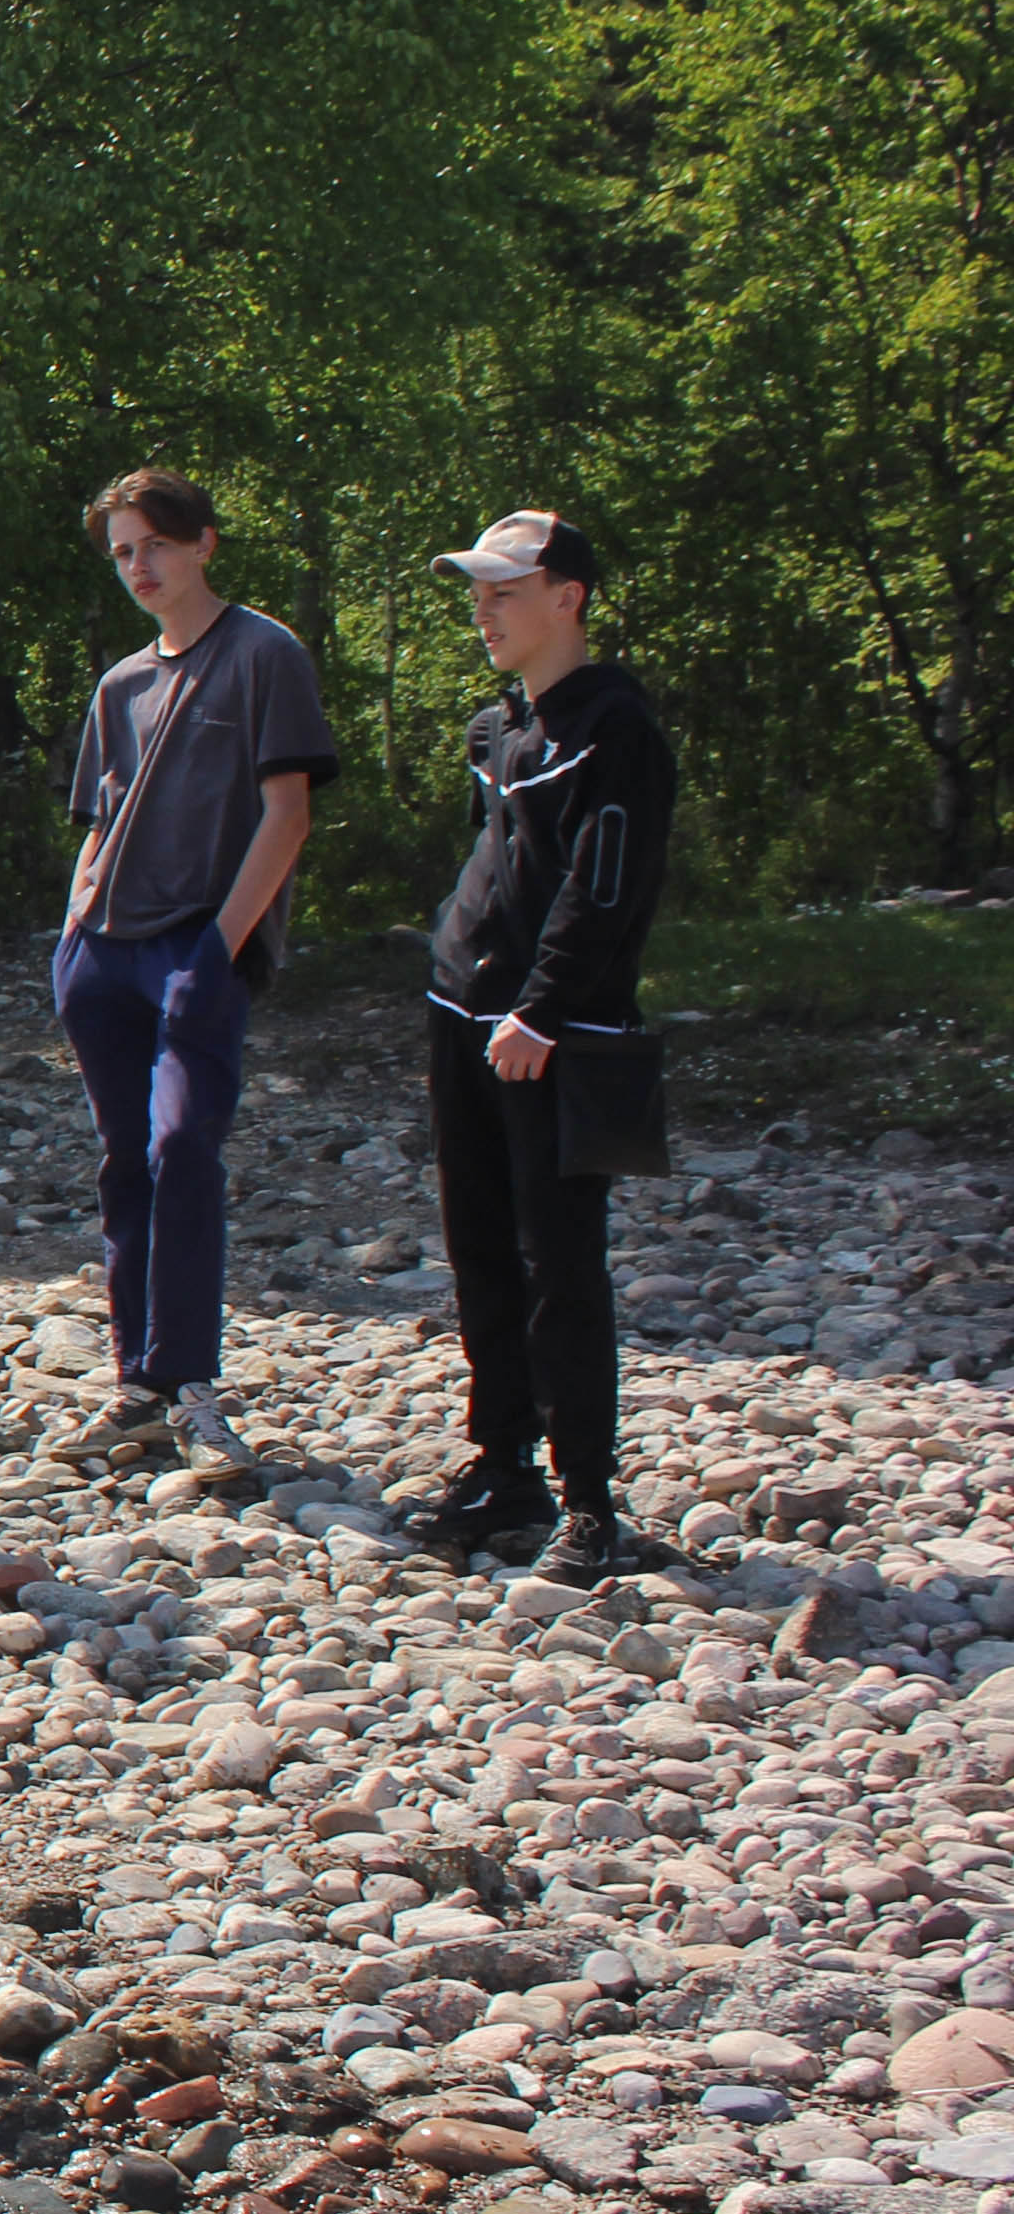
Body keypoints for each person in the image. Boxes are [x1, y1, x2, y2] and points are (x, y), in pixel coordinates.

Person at [49, 467, 342, 1476]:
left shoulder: (264, 654)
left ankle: (192, 1388)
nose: (140, 567)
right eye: (123, 552)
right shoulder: (120, 683)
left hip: (197, 948)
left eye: (156, 545)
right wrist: (74, 931)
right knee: (124, 1161)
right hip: (104, 954)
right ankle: (136, 1387)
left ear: (204, 542)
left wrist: (221, 946)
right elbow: (98, 820)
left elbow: (288, 814)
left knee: (184, 1148)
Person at [409, 510, 676, 1583]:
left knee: (560, 1265)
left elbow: (606, 890)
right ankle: (503, 1465)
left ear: (568, 597)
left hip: (553, 1034)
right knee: (479, 1247)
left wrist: (546, 1009)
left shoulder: (617, 730)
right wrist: (454, 974)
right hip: (465, 1015)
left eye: (505, 593)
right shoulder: (502, 727)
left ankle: (590, 1503)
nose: (484, 613)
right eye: (477, 595)